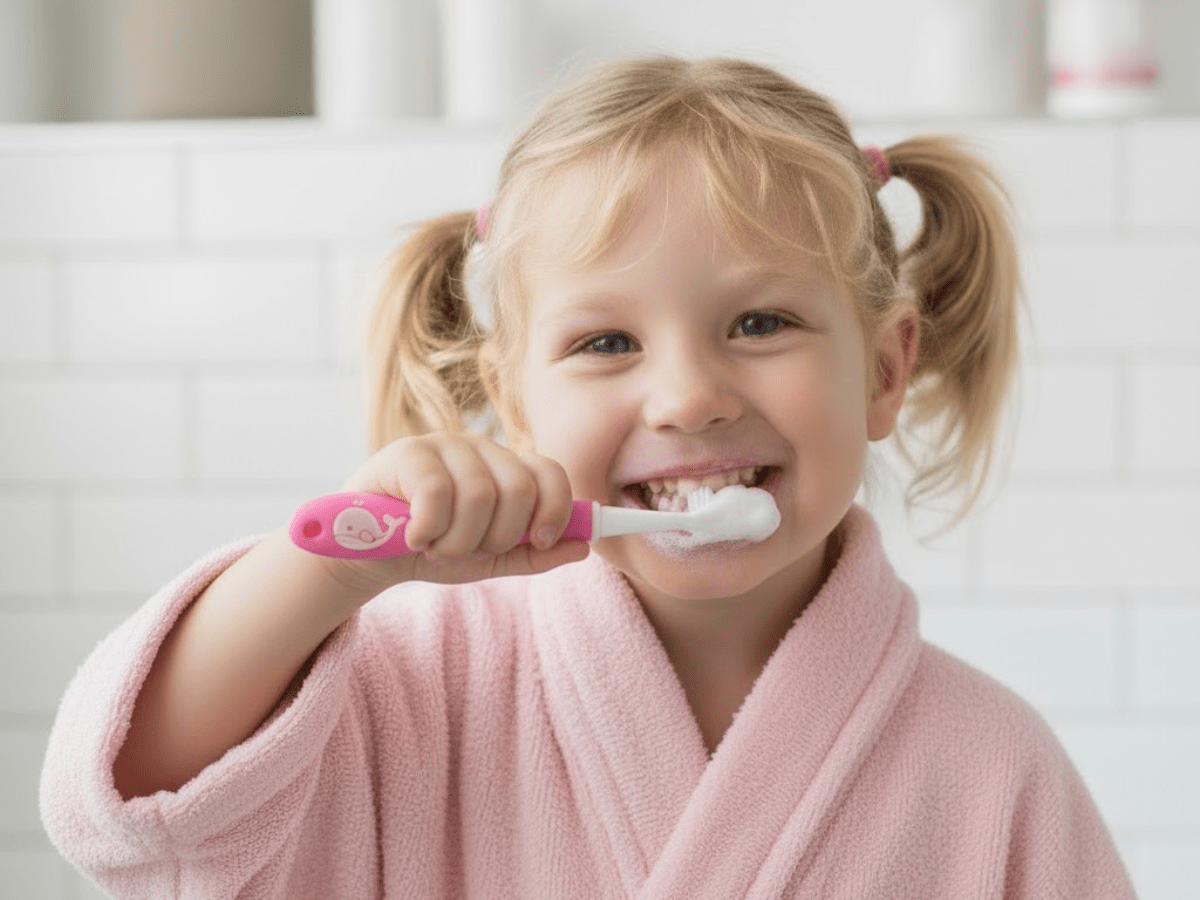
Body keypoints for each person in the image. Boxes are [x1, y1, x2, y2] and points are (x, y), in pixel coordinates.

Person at [40, 56, 1135, 898]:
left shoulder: (992, 769)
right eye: (606, 344)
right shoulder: (402, 688)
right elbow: (138, 809)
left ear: (887, 371)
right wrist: (321, 576)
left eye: (760, 322)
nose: (689, 396)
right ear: (512, 402)